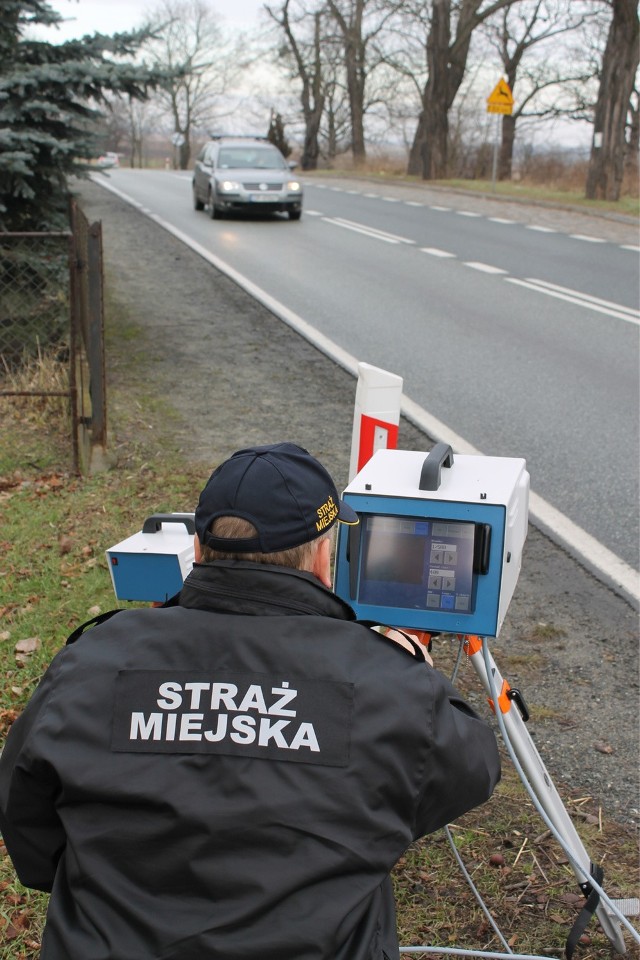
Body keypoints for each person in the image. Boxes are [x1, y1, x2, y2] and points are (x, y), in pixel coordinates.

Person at [0, 442, 501, 960]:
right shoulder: (389, 685)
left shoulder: (92, 661)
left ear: (197, 550)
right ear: (324, 560)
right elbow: (472, 769)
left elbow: (26, 817)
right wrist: (413, 669)